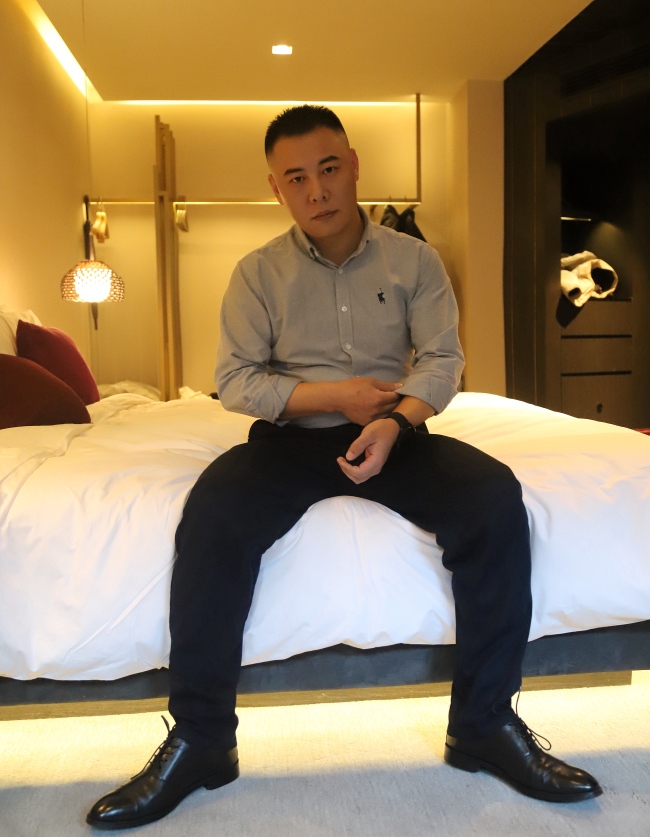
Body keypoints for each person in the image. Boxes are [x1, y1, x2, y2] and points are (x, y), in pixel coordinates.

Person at [87, 105, 602, 830]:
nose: (317, 190)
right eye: (296, 178)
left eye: (328, 169)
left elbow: (444, 361)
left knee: (491, 496)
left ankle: (483, 724)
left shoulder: (414, 260)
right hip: (292, 440)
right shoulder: (256, 273)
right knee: (212, 516)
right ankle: (202, 739)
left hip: (396, 432)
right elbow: (236, 381)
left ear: (354, 166)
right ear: (277, 187)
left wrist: (392, 421)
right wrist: (334, 397)